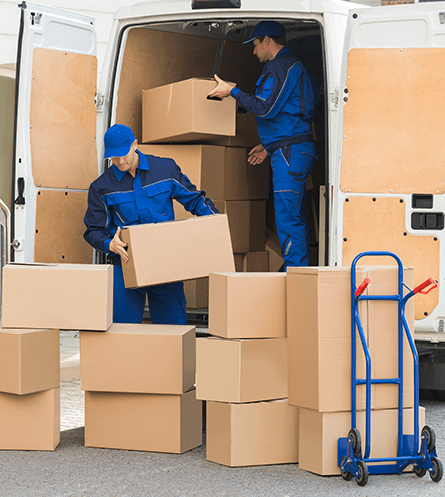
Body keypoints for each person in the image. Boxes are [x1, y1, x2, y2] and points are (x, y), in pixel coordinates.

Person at [207, 21, 319, 269]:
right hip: (291, 149)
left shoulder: (279, 66)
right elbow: (292, 113)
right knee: (292, 215)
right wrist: (268, 146)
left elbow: (264, 107)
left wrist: (232, 92)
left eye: (256, 44)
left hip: (290, 153)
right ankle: (297, 272)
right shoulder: (296, 66)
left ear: (267, 40)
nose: (254, 51)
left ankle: (295, 276)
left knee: (288, 218)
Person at [84, 124, 219, 325]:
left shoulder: (165, 169)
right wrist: (108, 244)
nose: (120, 161)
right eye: (114, 157)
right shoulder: (101, 187)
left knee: (172, 328)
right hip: (126, 263)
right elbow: (93, 230)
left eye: (124, 154)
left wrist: (216, 224)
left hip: (165, 262)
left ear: (135, 145)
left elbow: (195, 200)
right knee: (122, 328)